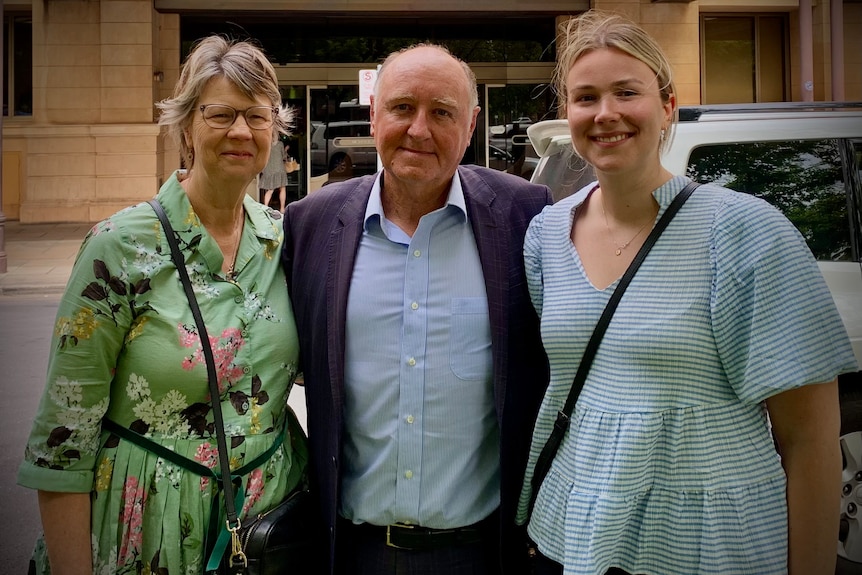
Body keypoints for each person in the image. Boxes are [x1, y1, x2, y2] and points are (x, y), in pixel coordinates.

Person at [516, 11, 858, 575]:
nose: (606, 114)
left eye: (627, 92)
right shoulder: (546, 236)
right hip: (573, 537)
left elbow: (810, 439)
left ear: (667, 104)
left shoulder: (744, 231)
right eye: (586, 97)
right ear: (568, 113)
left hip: (707, 545)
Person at [17, 35, 308, 575]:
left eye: (257, 116)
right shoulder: (119, 246)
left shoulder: (285, 242)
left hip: (271, 536)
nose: (241, 131)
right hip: (143, 532)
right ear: (187, 126)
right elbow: (64, 439)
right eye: (220, 114)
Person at [282, 44, 552, 575]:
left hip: (483, 553)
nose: (419, 130)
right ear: (374, 113)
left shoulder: (526, 216)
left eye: (442, 112)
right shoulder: (309, 224)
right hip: (349, 551)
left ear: (471, 124)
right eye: (403, 108)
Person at [261, 135, 289, 212]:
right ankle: (282, 208)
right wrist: (286, 150)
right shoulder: (280, 144)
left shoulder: (266, 144)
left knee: (270, 190)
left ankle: (265, 207)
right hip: (279, 169)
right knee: (282, 188)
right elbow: (283, 157)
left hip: (269, 169)